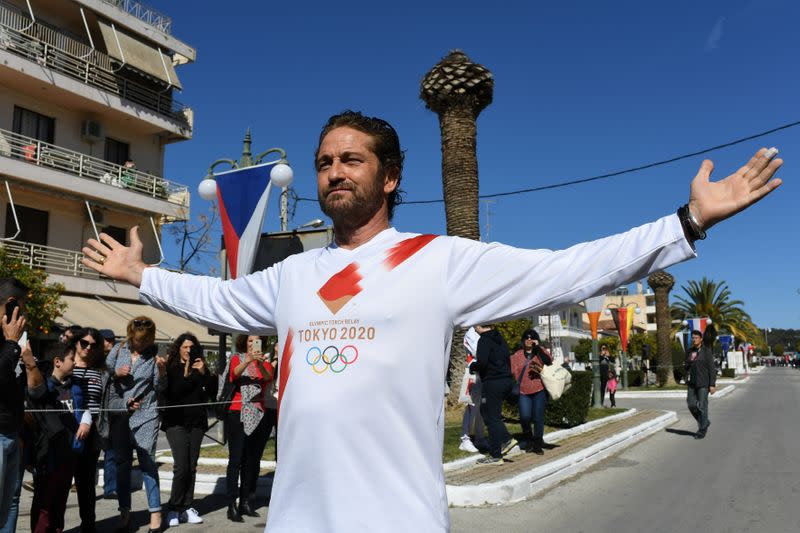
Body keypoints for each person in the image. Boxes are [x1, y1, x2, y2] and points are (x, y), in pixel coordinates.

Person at [81, 110, 783, 532]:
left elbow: (567, 269)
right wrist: (140, 276)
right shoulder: (293, 276)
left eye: (351, 159)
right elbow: (214, 302)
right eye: (324, 162)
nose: (333, 172)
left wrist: (685, 221)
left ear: (389, 178)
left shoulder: (435, 261)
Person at [105, 316, 166, 532]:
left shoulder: (154, 355)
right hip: (121, 413)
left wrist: (160, 371)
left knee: (147, 464)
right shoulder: (119, 348)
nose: (141, 344)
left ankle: (156, 514)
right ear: (131, 335)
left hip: (146, 415)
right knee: (122, 465)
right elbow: (106, 372)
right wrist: (115, 372)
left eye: (146, 340)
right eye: (139, 339)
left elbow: (159, 387)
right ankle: (125, 514)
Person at [0, 278, 43, 533]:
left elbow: (32, 388)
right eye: (23, 308)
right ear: (11, 304)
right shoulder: (8, 341)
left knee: (8, 506)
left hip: (12, 433)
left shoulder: (14, 341)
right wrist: (9, 343)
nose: (25, 315)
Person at [26, 343, 82, 533]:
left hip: (68, 453)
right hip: (49, 456)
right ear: (57, 362)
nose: (75, 363)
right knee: (44, 504)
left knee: (60, 501)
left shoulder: (73, 387)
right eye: (71, 359)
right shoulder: (45, 388)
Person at [162, 333, 217, 527]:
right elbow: (174, 393)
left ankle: (186, 507)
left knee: (192, 466)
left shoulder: (201, 367)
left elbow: (212, 393)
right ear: (178, 348)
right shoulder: (171, 367)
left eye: (191, 348)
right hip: (175, 422)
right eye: (184, 347)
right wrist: (185, 372)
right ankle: (173, 507)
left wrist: (204, 374)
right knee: (181, 466)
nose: (188, 351)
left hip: (196, 423)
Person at [223, 335, 274, 522]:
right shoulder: (238, 357)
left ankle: (245, 501)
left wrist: (259, 363)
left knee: (251, 460)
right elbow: (234, 374)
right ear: (245, 342)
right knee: (235, 459)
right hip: (237, 412)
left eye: (257, 341)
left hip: (257, 412)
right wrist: (249, 360)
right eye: (250, 340)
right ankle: (231, 504)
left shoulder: (265, 361)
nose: (253, 344)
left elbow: (268, 377)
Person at [69, 328, 107, 533]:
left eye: (93, 345)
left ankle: (88, 525)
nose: (88, 348)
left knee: (85, 482)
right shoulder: (65, 365)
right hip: (66, 429)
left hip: (92, 431)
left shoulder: (101, 370)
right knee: (59, 480)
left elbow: (105, 401)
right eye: (84, 343)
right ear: (76, 343)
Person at [469, 325, 516, 465]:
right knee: (487, 412)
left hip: (493, 382)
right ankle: (504, 441)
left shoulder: (483, 340)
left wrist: (473, 367)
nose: (473, 328)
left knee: (491, 416)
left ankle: (496, 454)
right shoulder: (499, 337)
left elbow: (482, 362)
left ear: (479, 326)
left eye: (474, 326)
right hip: (506, 380)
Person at [510, 329, 552, 455]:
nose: (529, 339)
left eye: (532, 337)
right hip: (523, 391)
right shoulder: (516, 355)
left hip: (539, 389)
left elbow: (549, 361)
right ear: (523, 340)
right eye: (526, 337)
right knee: (525, 417)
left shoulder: (540, 351)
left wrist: (538, 348)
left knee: (538, 417)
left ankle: (538, 443)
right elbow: (509, 370)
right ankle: (528, 439)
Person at [685, 326, 717, 439]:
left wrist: (712, 384)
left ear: (701, 339)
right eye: (692, 338)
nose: (694, 340)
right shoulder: (689, 351)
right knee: (691, 404)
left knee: (702, 406)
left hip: (703, 383)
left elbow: (712, 368)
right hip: (692, 383)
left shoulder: (706, 351)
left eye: (696, 338)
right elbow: (686, 366)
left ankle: (702, 430)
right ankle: (704, 421)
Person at [97, 329, 118, 500]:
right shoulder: (94, 359)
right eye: (106, 340)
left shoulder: (118, 358)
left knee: (111, 452)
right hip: (95, 410)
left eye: (111, 340)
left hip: (111, 411)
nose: (110, 343)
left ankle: (110, 488)